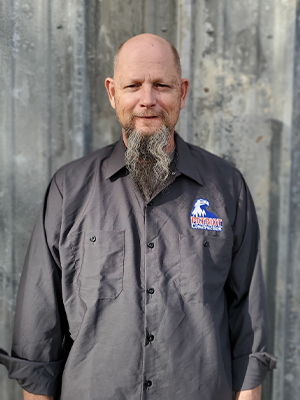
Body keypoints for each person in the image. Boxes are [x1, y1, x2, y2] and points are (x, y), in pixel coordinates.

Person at [0, 33, 276, 400]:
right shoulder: (69, 190)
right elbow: (39, 328)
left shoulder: (226, 188)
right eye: (134, 86)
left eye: (161, 85)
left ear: (183, 92)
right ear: (113, 93)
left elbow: (249, 319)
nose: (148, 100)